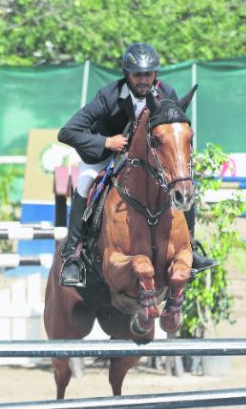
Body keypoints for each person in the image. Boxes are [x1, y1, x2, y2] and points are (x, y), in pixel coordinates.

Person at [57, 42, 217, 288]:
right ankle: (73, 257)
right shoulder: (108, 96)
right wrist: (106, 141)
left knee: (185, 186)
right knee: (84, 183)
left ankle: (190, 249)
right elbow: (67, 132)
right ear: (127, 75)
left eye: (148, 74)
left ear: (156, 74)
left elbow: (176, 131)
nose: (143, 79)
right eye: (137, 74)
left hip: (149, 158)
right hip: (108, 153)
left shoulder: (167, 94)